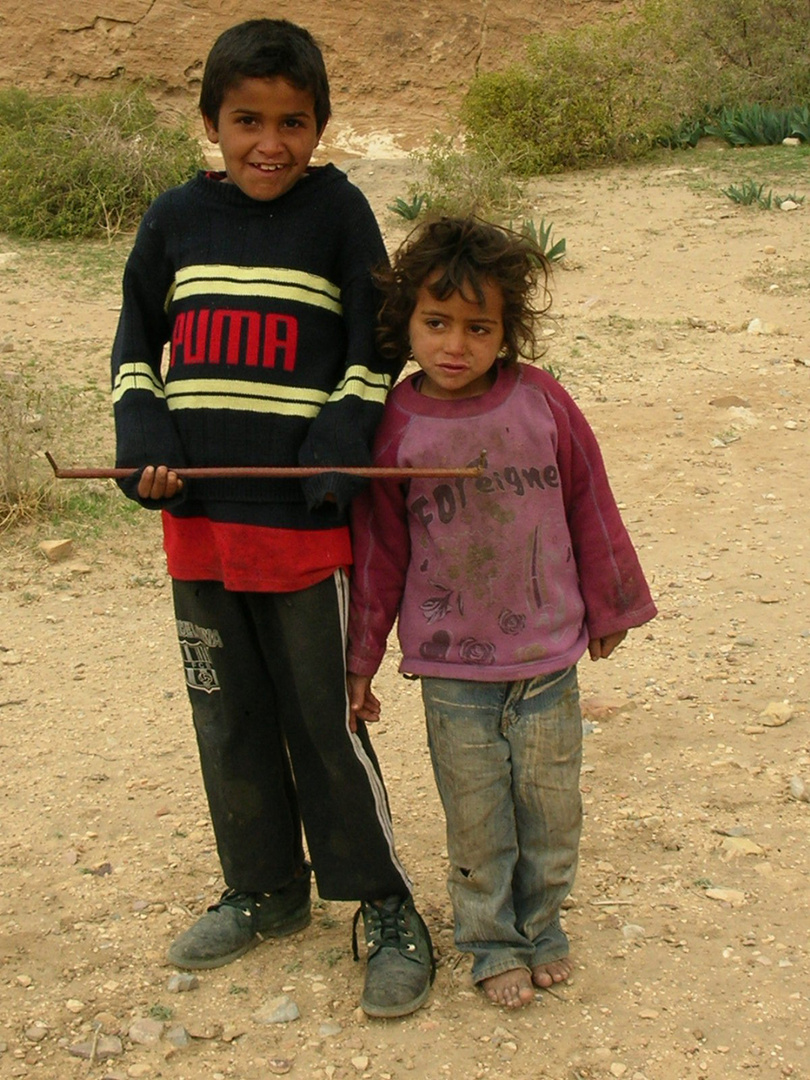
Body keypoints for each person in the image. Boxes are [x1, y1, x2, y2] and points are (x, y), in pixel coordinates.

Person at [111, 18, 433, 1019]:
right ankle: (264, 888)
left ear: (320, 126)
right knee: (230, 717)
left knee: (325, 720)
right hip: (199, 526)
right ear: (211, 121)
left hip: (301, 526)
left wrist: (335, 448)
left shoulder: (338, 214)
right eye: (247, 119)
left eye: (293, 122)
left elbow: (374, 345)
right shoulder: (172, 220)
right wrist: (142, 443)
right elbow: (133, 346)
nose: (269, 142)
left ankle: (382, 902)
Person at [346, 217, 657, 1009]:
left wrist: (609, 605)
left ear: (506, 331)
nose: (456, 345)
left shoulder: (541, 399)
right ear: (406, 324)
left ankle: (543, 927)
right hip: (454, 673)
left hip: (548, 660)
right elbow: (380, 553)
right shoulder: (395, 426)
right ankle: (489, 940)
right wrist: (360, 662)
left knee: (551, 812)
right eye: (437, 323)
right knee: (480, 822)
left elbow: (589, 497)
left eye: (478, 327)